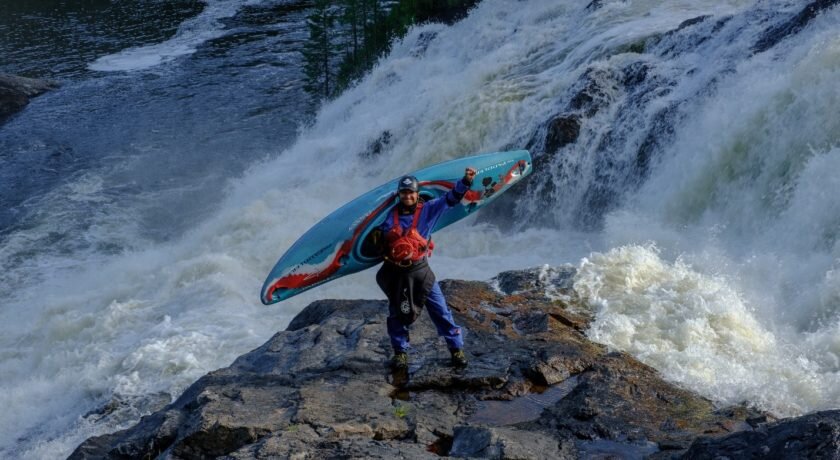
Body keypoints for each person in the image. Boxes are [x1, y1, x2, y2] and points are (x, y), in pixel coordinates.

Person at [371, 167, 476, 370]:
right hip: (395, 272)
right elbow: (372, 240)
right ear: (399, 195)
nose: (408, 196)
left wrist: (466, 180)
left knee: (440, 310)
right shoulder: (387, 217)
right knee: (396, 313)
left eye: (411, 193)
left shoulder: (429, 209)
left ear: (417, 194)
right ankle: (400, 353)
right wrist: (376, 240)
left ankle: (456, 349)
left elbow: (451, 198)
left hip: (420, 271)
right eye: (404, 193)